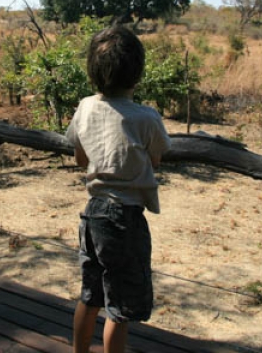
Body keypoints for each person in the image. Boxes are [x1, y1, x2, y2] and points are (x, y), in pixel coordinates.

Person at [66, 25, 172, 353]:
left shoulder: (85, 107)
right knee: (120, 307)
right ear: (137, 73)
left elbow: (80, 156)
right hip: (124, 218)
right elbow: (155, 159)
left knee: (90, 295)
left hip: (92, 213)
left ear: (92, 72)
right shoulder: (146, 117)